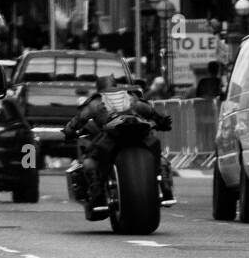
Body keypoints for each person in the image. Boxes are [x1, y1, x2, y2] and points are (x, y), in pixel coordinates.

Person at [63, 75, 173, 212]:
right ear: (115, 85)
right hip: (137, 130)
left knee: (90, 161)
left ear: (99, 87)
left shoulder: (96, 100)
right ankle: (166, 186)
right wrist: (161, 121)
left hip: (112, 134)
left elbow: (79, 119)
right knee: (158, 153)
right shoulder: (130, 96)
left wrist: (68, 131)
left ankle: (97, 193)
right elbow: (149, 110)